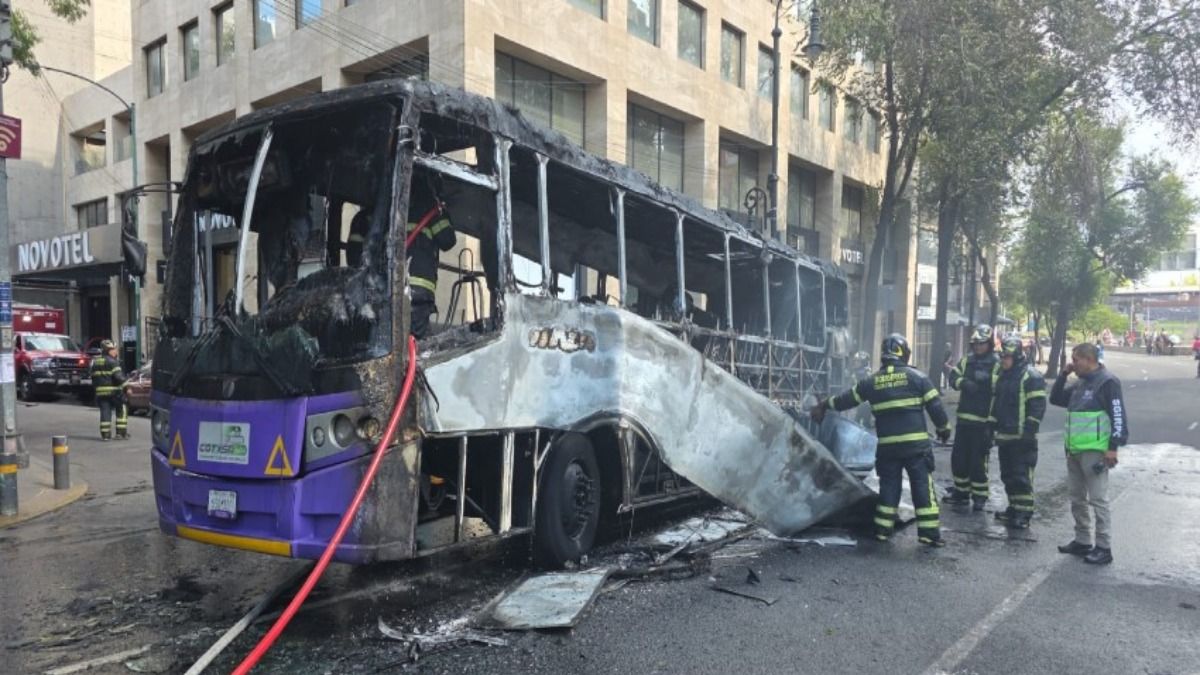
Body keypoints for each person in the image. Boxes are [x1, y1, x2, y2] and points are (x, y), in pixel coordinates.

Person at [812, 334, 952, 546]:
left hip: (888, 448)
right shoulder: (918, 378)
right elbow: (936, 408)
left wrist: (824, 405)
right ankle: (929, 534)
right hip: (916, 447)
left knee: (889, 489)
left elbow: (846, 400)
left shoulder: (872, 382)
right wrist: (944, 429)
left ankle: (882, 531)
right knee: (922, 487)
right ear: (904, 354)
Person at [1049, 342, 1128, 565]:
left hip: (1096, 451)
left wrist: (1113, 447)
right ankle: (1083, 540)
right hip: (1074, 449)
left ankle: (1104, 547)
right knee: (1076, 498)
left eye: (1076, 360)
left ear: (1089, 359)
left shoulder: (1107, 382)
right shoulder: (1080, 382)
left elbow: (1118, 415)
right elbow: (1055, 399)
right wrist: (1063, 375)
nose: (1073, 364)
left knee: (1098, 500)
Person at [991, 337, 1047, 529]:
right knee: (1008, 476)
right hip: (1005, 437)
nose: (1003, 361)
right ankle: (1014, 508)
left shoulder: (1031, 376)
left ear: (1016, 357)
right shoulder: (1003, 375)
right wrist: (991, 428)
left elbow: (1037, 406)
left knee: (1022, 477)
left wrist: (1029, 432)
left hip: (1022, 438)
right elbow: (997, 404)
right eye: (1002, 357)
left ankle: (1024, 513)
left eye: (1006, 357)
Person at [945, 324, 999, 510]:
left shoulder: (997, 363)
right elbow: (953, 377)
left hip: (983, 421)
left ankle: (980, 496)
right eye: (975, 344)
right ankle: (961, 493)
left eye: (981, 343)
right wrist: (964, 383)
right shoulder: (967, 361)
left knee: (978, 461)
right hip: (964, 420)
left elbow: (1000, 390)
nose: (977, 347)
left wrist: (991, 425)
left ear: (989, 343)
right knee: (959, 458)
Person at [406, 181, 456, 338]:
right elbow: (447, 240)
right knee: (416, 341)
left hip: (394, 287)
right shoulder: (429, 206)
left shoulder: (394, 202)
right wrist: (444, 213)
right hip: (419, 288)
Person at [90, 340, 128, 441]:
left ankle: (106, 435)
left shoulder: (96, 362)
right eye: (114, 349)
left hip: (100, 393)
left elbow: (93, 377)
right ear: (109, 351)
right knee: (121, 409)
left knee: (105, 412)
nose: (116, 352)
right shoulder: (113, 362)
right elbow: (118, 377)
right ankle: (121, 433)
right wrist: (127, 386)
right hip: (114, 392)